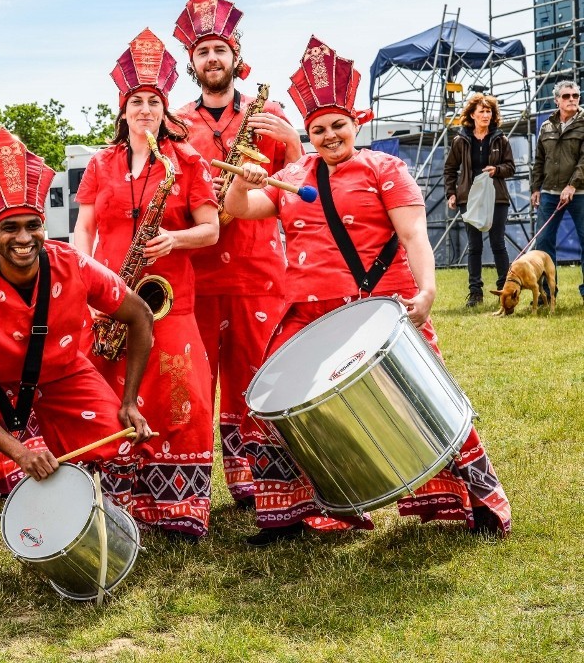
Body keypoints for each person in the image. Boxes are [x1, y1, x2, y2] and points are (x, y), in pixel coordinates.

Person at [224, 36, 512, 544]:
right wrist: (245, 181)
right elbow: (240, 210)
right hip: (307, 309)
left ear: (355, 124)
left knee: (423, 399)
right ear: (307, 133)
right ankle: (291, 515)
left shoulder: (385, 168)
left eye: (338, 125)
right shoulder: (292, 174)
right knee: (268, 401)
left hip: (379, 303)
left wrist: (426, 292)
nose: (330, 135)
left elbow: (413, 235)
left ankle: (481, 501)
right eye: (318, 129)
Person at [0, 127, 155, 599]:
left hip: (64, 374)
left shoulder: (73, 264)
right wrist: (20, 451)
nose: (23, 238)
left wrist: (128, 402)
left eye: (32, 226)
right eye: (11, 228)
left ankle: (109, 532)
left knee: (121, 440)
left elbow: (140, 316)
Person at [74, 28, 219, 541]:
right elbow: (84, 229)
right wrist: (82, 281)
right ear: (122, 110)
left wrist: (174, 240)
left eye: (152, 102)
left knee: (183, 397)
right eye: (135, 101)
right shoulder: (99, 163)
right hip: (109, 296)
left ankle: (179, 508)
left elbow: (212, 228)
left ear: (163, 111)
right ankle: (116, 504)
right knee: (108, 396)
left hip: (168, 300)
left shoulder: (188, 161)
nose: (144, 110)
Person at [172, 0, 302, 506]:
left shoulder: (271, 117)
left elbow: (300, 183)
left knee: (259, 379)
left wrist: (291, 142)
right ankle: (199, 487)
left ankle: (266, 485)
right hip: (197, 275)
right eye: (202, 51)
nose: (211, 58)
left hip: (258, 271)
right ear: (192, 61)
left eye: (219, 50)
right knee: (196, 384)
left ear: (235, 57)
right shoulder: (176, 121)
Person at [444, 94, 515, 307]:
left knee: (497, 243)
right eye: (481, 111)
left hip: (497, 197)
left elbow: (511, 167)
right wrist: (452, 193)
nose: (485, 115)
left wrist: (497, 170)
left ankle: (505, 289)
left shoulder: (501, 139)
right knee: (474, 246)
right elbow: (449, 169)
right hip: (470, 198)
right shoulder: (460, 140)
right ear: (472, 115)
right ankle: (475, 293)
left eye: (489, 111)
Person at [530, 79, 584, 302]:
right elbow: (539, 160)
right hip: (550, 192)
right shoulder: (546, 126)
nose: (572, 99)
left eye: (575, 96)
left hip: (580, 193)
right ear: (556, 100)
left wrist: (573, 184)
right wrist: (535, 188)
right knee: (543, 243)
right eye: (566, 96)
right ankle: (547, 294)